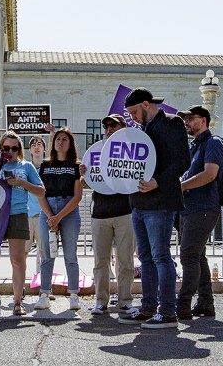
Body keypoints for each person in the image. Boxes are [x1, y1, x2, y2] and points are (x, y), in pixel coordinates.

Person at [117, 88, 190, 329]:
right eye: (129, 114)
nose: (132, 118)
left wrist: (157, 181)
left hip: (160, 202)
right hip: (139, 202)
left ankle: (168, 311)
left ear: (146, 104)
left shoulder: (172, 123)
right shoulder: (142, 130)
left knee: (160, 257)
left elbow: (182, 161)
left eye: (134, 112)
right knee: (146, 258)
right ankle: (149, 307)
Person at [0, 131, 44, 316]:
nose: (10, 151)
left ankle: (17, 302)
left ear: (19, 149)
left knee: (18, 261)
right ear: (0, 149)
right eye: (6, 148)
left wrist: (21, 182)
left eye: (14, 148)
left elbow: (41, 191)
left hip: (18, 214)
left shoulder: (26, 166)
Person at [80, 113, 135, 315]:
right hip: (100, 213)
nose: (109, 128)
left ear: (124, 127)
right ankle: (101, 300)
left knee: (126, 260)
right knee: (100, 261)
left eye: (114, 125)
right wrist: (83, 174)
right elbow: (86, 184)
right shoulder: (95, 151)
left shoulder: (132, 151)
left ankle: (125, 300)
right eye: (106, 126)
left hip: (125, 212)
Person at [174, 105, 223, 319]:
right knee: (198, 256)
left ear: (203, 120)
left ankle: (182, 305)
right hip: (190, 208)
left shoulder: (213, 143)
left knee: (189, 256)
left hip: (203, 208)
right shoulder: (194, 146)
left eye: (190, 118)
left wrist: (182, 186)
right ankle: (205, 302)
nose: (186, 122)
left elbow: (210, 174)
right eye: (185, 118)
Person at [35, 127, 84, 311]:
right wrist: (50, 217)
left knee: (70, 255)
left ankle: (73, 294)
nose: (60, 142)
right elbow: (40, 193)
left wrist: (58, 217)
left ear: (70, 143)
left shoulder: (75, 165)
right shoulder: (45, 165)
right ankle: (44, 294)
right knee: (47, 256)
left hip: (68, 212)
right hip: (48, 211)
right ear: (53, 143)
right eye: (57, 139)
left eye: (64, 139)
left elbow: (77, 196)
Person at [26, 135, 46, 276]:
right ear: (29, 150)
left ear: (45, 149)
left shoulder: (48, 169)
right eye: (33, 145)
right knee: (22, 254)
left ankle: (45, 288)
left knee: (45, 253)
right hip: (26, 216)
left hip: (42, 215)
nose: (37, 147)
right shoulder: (25, 168)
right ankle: (20, 288)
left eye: (39, 144)